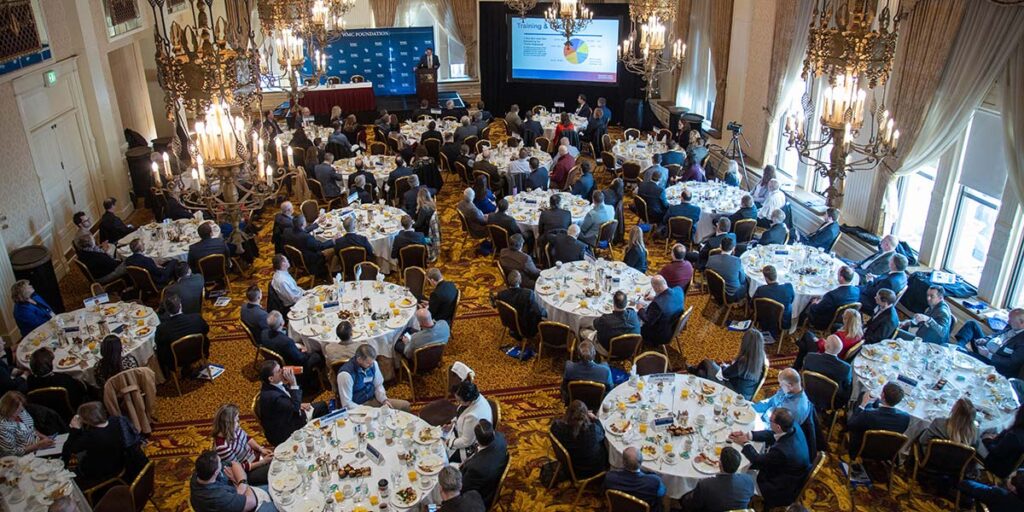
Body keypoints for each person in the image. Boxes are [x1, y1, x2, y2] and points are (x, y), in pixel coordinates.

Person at [728, 408, 811, 508]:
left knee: (738, 475)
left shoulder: (782, 451)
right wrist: (748, 435)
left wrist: (744, 443)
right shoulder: (792, 426)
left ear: (778, 426)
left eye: (770, 420)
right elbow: (773, 434)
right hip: (793, 472)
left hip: (778, 486)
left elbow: (757, 461)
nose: (768, 421)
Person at [63, 401, 141, 487]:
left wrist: (75, 429)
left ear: (86, 420)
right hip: (122, 462)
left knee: (78, 462)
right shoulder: (117, 421)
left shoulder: (90, 437)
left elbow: (70, 448)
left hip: (101, 471)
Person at [257, 360, 327, 446]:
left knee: (322, 406)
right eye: (279, 371)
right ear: (271, 378)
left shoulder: (272, 384)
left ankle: (320, 434)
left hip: (288, 412)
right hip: (285, 429)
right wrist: (293, 383)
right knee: (321, 408)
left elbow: (289, 402)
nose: (283, 371)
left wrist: (300, 404)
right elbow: (294, 407)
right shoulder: (273, 396)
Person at [692, 330, 766, 400]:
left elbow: (725, 374)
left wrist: (724, 366)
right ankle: (696, 376)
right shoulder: (761, 357)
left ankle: (693, 372)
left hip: (733, 392)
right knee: (702, 373)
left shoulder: (744, 360)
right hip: (746, 394)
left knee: (707, 363)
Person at [211, 404, 273, 486]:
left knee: (278, 458)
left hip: (255, 458)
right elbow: (238, 468)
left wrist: (260, 449)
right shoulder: (223, 447)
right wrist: (263, 462)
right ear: (228, 424)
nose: (239, 423)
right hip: (247, 472)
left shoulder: (233, 428)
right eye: (236, 420)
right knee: (273, 470)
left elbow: (247, 438)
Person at [679, 446, 755, 511]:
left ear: (720, 463)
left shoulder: (705, 485)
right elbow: (750, 496)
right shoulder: (748, 480)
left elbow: (691, 505)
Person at [336, 345, 410, 411]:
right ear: (359, 359)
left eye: (372, 362)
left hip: (373, 400)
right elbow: (347, 404)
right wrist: (368, 410)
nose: (371, 366)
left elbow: (378, 385)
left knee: (405, 406)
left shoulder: (373, 364)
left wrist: (384, 400)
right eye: (368, 363)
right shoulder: (345, 375)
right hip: (357, 408)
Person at [260, 311, 324, 387]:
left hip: (277, 360)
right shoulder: (286, 342)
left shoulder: (263, 333)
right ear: (282, 323)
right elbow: (301, 359)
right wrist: (305, 351)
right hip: (292, 364)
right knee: (317, 355)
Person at [847, 382, 911, 456]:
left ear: (882, 395)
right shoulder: (906, 417)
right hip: (887, 451)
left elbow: (850, 424)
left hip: (862, 449)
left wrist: (862, 405)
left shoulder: (868, 414)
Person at [957, 308, 1024, 378]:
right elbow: (999, 333)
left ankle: (958, 350)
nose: (1008, 321)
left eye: (1011, 320)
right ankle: (959, 346)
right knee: (971, 324)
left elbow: (1011, 363)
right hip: (986, 347)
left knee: (963, 353)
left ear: (1022, 323)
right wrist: (986, 339)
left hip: (993, 363)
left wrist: (988, 355)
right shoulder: (1012, 325)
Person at [188, 450, 263, 512]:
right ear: (216, 472)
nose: (222, 463)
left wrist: (241, 483)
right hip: (249, 501)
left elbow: (234, 463)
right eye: (220, 462)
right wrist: (239, 482)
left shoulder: (199, 474)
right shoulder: (218, 498)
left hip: (237, 493)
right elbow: (253, 501)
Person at [550, 400, 608, 479]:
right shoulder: (592, 431)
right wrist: (594, 418)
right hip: (591, 471)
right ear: (585, 416)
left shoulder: (556, 427)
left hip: (570, 467)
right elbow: (602, 433)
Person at [154, 293, 210, 374]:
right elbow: (206, 330)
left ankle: (165, 374)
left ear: (166, 310)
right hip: (199, 352)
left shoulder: (162, 329)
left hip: (176, 360)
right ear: (181, 305)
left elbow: (158, 344)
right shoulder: (197, 318)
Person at [459, 420, 508, 507]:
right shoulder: (500, 438)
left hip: (482, 497)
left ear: (477, 439)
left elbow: (463, 489)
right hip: (492, 470)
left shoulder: (475, 468)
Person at [604, 446, 667, 512]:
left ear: (623, 462)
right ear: (641, 462)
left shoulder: (610, 477)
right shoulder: (654, 481)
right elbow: (662, 493)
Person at [801, 265, 859, 330]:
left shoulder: (832, 295)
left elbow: (817, 309)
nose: (837, 275)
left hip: (824, 322)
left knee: (810, 301)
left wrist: (814, 303)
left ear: (841, 278)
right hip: (842, 320)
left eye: (838, 274)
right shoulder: (857, 290)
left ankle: (800, 323)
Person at [445, 381, 492, 462]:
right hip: (465, 434)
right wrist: (452, 424)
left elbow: (466, 441)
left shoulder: (473, 416)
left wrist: (449, 442)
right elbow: (461, 413)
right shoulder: (475, 396)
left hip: (470, 447)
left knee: (441, 454)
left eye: (459, 401)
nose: (458, 403)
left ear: (468, 400)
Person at [494, 270, 547, 340]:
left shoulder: (501, 294)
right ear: (520, 281)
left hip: (509, 323)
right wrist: (546, 312)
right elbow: (538, 312)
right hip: (526, 328)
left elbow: (493, 304)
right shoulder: (528, 294)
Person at [917, 398, 981, 454]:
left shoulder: (939, 423)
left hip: (932, 459)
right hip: (956, 465)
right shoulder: (976, 433)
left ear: (954, 411)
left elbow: (922, 440)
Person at [0, 391, 54, 456]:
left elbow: (31, 428)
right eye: (17, 409)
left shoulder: (21, 411)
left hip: (39, 446)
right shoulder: (3, 426)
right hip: (25, 457)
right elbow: (12, 453)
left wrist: (44, 437)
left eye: (21, 407)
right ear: (7, 409)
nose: (21, 410)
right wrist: (38, 445)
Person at [802, 335, 853, 403]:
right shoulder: (846, 368)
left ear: (826, 346)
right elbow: (847, 385)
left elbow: (804, 371)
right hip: (831, 399)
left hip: (810, 391)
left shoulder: (810, 357)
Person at [638, 275, 685, 347]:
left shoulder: (657, 305)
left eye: (653, 288)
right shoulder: (679, 290)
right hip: (674, 325)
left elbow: (648, 320)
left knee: (636, 324)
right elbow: (669, 301)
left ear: (656, 287)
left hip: (661, 334)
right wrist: (655, 298)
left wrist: (640, 309)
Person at [752, 265, 795, 341]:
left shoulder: (761, 290)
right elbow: (792, 301)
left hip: (763, 318)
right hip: (782, 320)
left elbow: (752, 304)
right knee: (790, 306)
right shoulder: (788, 287)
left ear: (765, 278)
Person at [591, 291, 642, 356]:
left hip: (610, 351)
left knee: (584, 331)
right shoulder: (633, 314)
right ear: (626, 303)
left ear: (613, 303)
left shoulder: (605, 319)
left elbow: (595, 324)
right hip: (631, 349)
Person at [283, 214, 334, 279]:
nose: (306, 222)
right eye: (305, 221)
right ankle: (332, 272)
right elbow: (321, 246)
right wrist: (333, 240)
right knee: (333, 249)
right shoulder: (306, 238)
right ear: (303, 224)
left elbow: (302, 231)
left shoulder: (287, 231)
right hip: (311, 260)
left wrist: (317, 223)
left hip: (296, 259)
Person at [981, 407, 1024, 479]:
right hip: (1007, 464)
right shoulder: (1018, 432)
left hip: (996, 465)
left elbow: (996, 452)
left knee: (976, 439)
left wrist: (986, 440)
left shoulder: (1014, 435)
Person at [706, 237, 748, 302]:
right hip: (730, 295)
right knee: (747, 283)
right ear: (733, 248)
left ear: (720, 246)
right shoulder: (737, 261)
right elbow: (742, 280)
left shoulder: (711, 259)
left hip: (714, 289)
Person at [958, 472, 1024, 512]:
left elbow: (966, 485)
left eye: (1010, 477)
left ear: (1013, 487)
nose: (1008, 478)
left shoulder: (1000, 495)